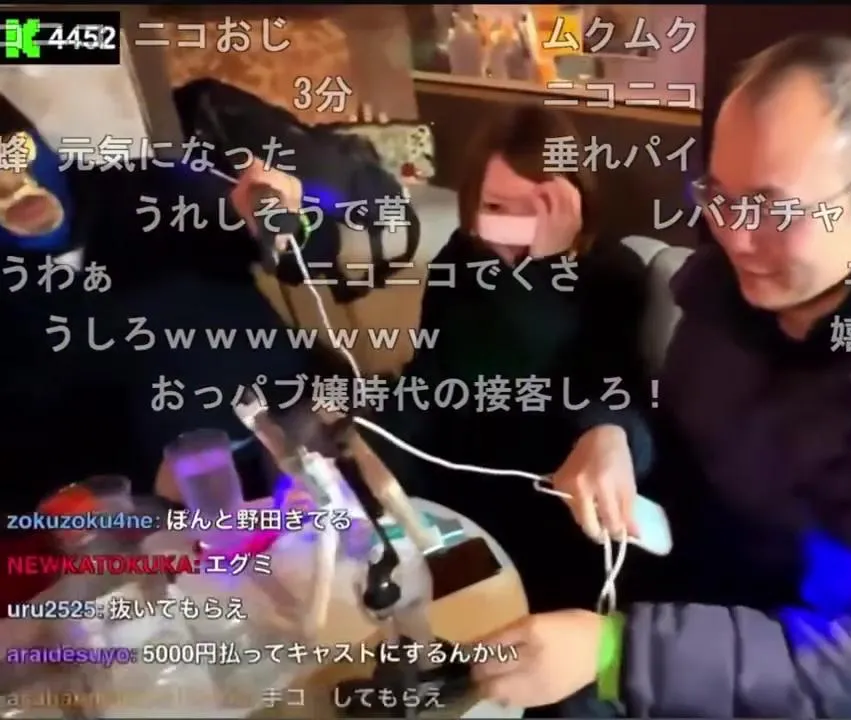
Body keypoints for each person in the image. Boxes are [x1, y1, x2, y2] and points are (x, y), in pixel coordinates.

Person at [467, 37, 851, 717]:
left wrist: (618, 652)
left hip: (799, 662)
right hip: (691, 594)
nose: (734, 236)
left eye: (773, 207)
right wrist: (614, 434)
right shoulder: (726, 295)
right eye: (720, 196)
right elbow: (672, 424)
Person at [358, 104, 654, 615]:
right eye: (495, 206)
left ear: (572, 202)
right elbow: (429, 375)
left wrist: (545, 266)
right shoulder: (460, 257)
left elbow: (604, 391)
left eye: (534, 207)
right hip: (453, 487)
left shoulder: (612, 273)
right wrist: (372, 446)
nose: (509, 228)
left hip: (547, 503)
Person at [0, 94, 322, 514]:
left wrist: (289, 220)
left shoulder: (150, 188)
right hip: (160, 507)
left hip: (305, 430)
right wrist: (138, 474)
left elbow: (295, 243)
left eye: (12, 155)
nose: (13, 183)